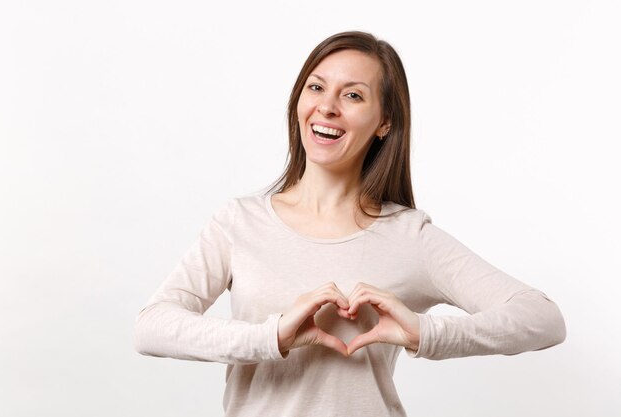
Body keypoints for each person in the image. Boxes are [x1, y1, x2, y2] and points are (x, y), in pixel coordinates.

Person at [133, 31, 566, 417]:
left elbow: (542, 318)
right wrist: (272, 337)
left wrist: (424, 333)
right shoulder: (238, 223)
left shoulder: (409, 236)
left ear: (385, 122)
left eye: (353, 95)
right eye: (316, 87)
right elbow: (152, 327)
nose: (327, 106)